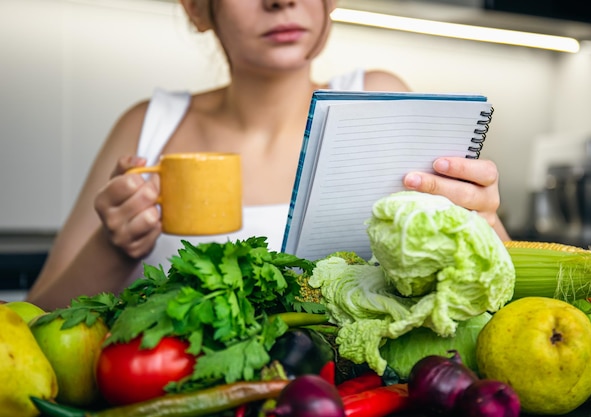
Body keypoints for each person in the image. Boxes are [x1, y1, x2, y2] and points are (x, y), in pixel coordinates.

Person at [27, 0, 510, 311]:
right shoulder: (148, 125)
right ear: (197, 8)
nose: (282, 1)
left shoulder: (376, 102)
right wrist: (115, 246)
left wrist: (485, 227)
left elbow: (489, 295)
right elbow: (38, 316)